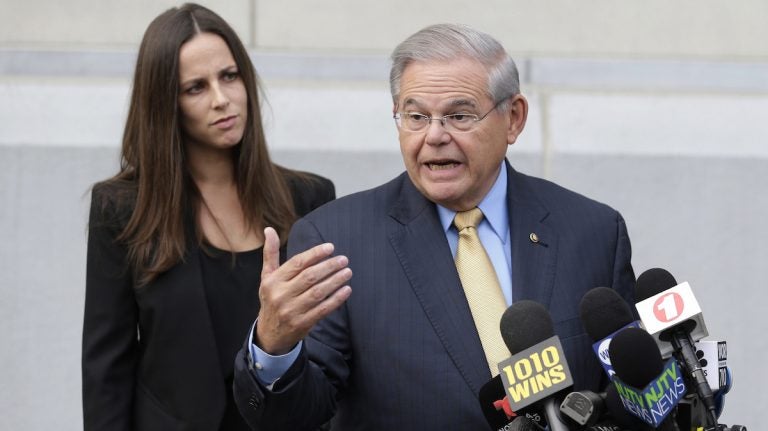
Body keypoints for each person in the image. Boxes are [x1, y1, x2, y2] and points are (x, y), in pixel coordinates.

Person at [233, 24, 635, 430]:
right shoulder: (337, 241)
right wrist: (275, 345)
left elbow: (631, 396)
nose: (435, 136)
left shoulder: (593, 232)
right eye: (416, 116)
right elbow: (298, 416)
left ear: (513, 118)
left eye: (459, 116)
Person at [81, 4, 337, 430]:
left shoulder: (308, 197)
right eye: (195, 88)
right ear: (166, 103)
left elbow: (331, 352)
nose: (222, 100)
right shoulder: (121, 208)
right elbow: (107, 367)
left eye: (229, 76)